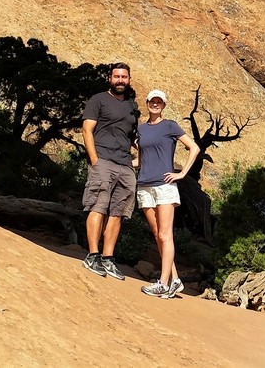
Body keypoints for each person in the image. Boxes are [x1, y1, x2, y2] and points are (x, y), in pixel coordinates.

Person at [135, 89, 200, 299]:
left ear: (163, 105)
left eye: (159, 102)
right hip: (144, 185)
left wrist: (182, 173)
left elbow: (194, 148)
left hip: (164, 186)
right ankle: (175, 280)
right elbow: (141, 159)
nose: (155, 104)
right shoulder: (141, 129)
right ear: (146, 103)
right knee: (157, 235)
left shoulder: (170, 126)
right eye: (152, 101)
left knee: (165, 235)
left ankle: (163, 283)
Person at [81, 63, 139, 280]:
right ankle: (93, 255)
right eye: (117, 76)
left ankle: (107, 258)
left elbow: (133, 138)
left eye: (124, 77)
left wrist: (139, 159)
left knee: (118, 212)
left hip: (125, 165)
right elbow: (87, 130)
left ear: (129, 79)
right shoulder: (98, 100)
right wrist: (94, 160)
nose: (120, 80)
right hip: (103, 160)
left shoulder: (132, 106)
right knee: (98, 205)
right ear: (110, 78)